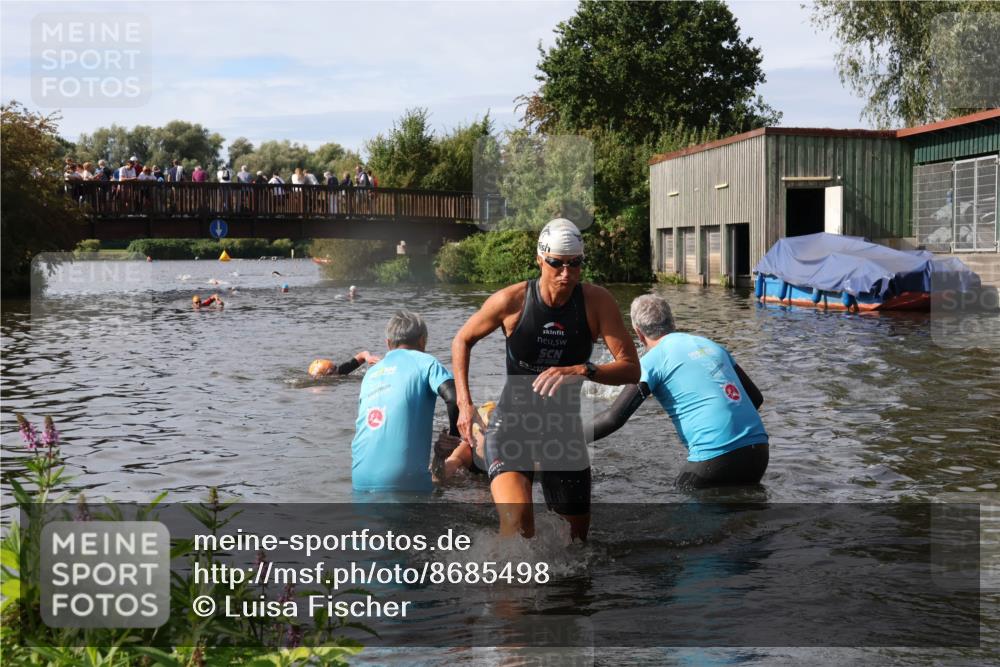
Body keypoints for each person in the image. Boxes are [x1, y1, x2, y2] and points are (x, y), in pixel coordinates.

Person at [451, 218, 641, 541]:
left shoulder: (597, 304)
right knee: (516, 527)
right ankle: (505, 588)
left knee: (575, 545)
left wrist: (583, 369)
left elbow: (631, 369)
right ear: (540, 259)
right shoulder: (512, 302)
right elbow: (462, 340)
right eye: (556, 264)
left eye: (575, 264)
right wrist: (464, 404)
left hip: (563, 432)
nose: (566, 274)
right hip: (512, 427)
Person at [587, 295, 769, 489]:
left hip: (714, 456)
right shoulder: (711, 345)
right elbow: (756, 398)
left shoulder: (651, 361)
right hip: (758, 452)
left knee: (679, 504)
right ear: (672, 322)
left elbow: (614, 418)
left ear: (638, 333)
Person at [351, 310, 464, 493]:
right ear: (422, 341)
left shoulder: (371, 373)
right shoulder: (426, 362)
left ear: (388, 343)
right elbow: (454, 397)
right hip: (403, 479)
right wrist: (452, 437)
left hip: (360, 477)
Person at [308, 350, 380, 378]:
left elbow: (363, 354)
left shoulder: (341, 370)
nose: (337, 371)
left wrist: (368, 357)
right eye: (332, 371)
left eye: (335, 367)